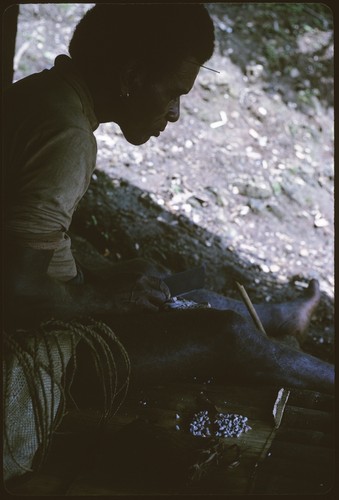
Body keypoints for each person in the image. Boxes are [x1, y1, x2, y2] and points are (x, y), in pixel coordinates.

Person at [3, 4, 334, 395]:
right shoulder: (68, 138)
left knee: (177, 294)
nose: (174, 113)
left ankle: (282, 315)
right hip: (39, 345)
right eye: (174, 93)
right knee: (225, 335)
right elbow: (16, 290)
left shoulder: (39, 93)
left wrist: (102, 279)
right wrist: (105, 298)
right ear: (131, 76)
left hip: (46, 311)